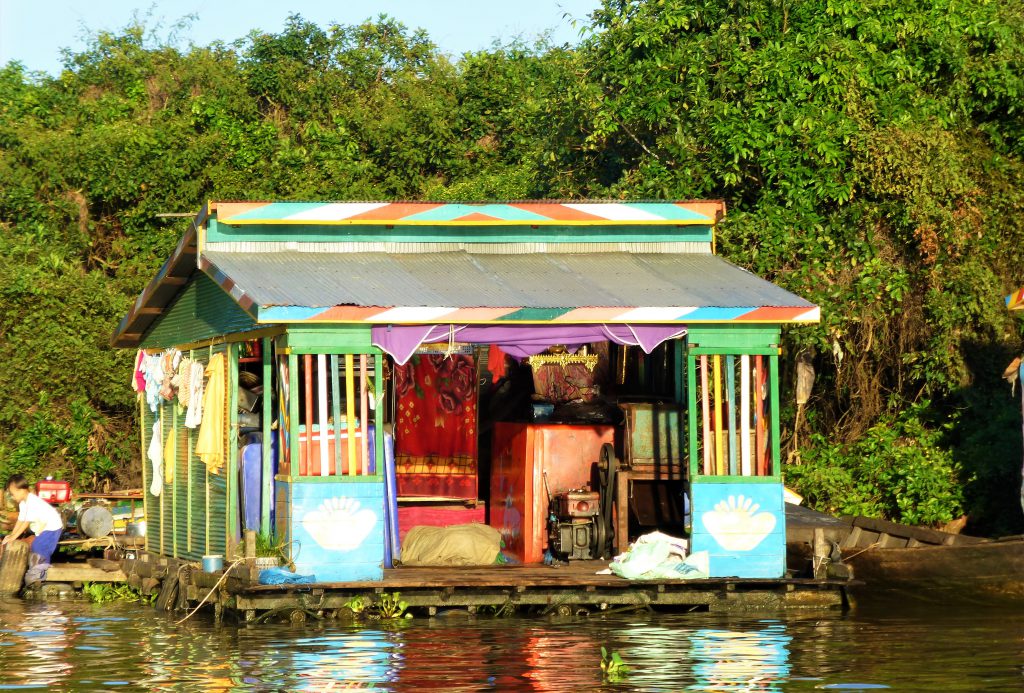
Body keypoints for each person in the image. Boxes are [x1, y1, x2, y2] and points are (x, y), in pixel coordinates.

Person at [2, 474, 64, 585]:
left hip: (53, 527)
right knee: (36, 546)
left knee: (39, 546)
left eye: (13, 494)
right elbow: (21, 520)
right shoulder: (23, 503)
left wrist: (14, 538)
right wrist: (11, 535)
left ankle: (41, 574)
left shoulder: (32, 501)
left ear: (21, 490)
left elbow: (26, 523)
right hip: (44, 528)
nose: (12, 497)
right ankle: (37, 571)